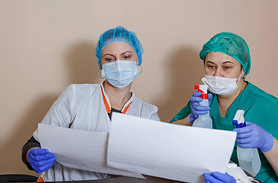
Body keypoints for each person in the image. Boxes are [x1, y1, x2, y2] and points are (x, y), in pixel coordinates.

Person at [22, 26, 160, 182]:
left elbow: (159, 161)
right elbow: (34, 143)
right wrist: (31, 155)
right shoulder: (75, 95)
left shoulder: (148, 114)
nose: (119, 65)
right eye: (109, 59)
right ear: (101, 65)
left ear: (137, 61)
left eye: (126, 57)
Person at [171, 32, 278, 182]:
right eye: (211, 66)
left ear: (243, 70)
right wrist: (190, 118)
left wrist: (268, 142)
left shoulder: (269, 107)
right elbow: (168, 137)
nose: (217, 75)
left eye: (227, 67)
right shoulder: (203, 99)